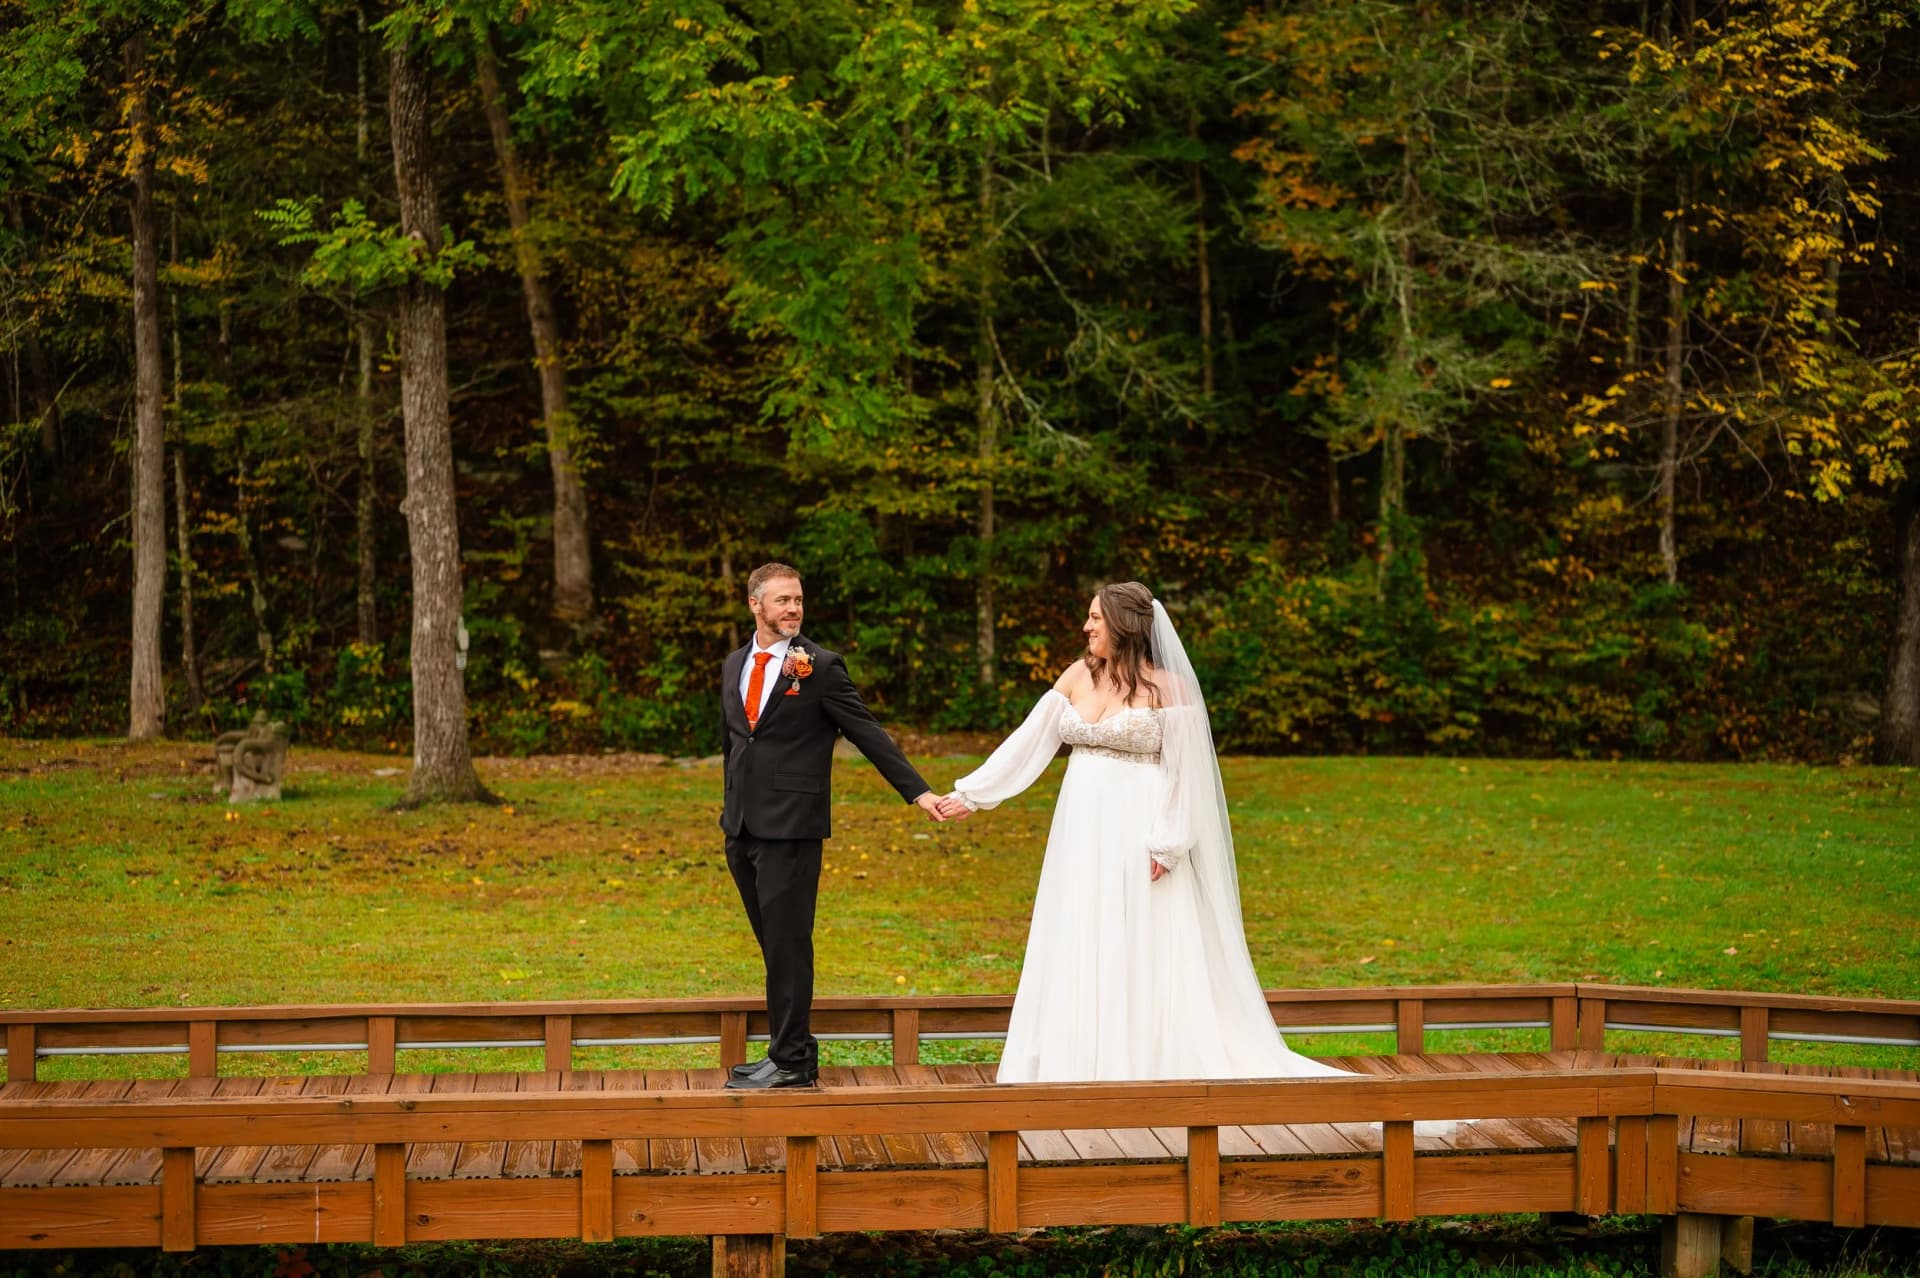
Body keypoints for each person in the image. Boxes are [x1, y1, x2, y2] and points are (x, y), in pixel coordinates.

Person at [937, 582, 1372, 1086]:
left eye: (1096, 618)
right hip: (1080, 828)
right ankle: (1078, 1060)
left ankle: (1145, 1060)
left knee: (1141, 934)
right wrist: (972, 794)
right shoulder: (1077, 676)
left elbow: (1190, 773)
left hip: (1140, 827)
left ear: (1124, 624)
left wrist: (1170, 840)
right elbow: (1028, 742)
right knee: (1081, 927)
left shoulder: (1169, 688)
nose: (1086, 626)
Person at [720, 563, 949, 1090]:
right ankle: (786, 1050)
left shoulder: (819, 667)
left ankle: (795, 1062)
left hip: (793, 829)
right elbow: (734, 742)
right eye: (782, 600)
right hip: (742, 829)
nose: (793, 609)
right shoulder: (734, 663)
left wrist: (918, 792)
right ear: (756, 605)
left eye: (798, 600)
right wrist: (731, 813)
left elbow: (866, 731)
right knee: (773, 944)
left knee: (789, 943)